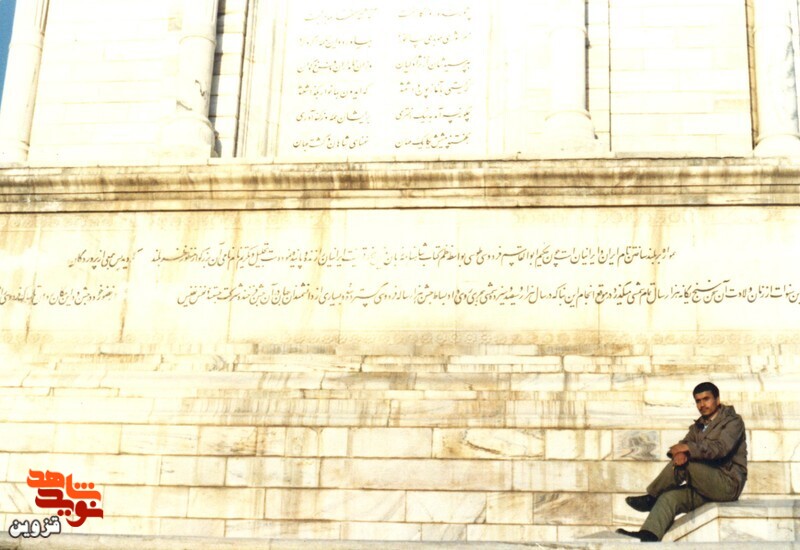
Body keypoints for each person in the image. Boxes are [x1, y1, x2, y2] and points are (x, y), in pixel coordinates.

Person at [616, 381, 747, 542]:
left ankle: (652, 497)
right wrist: (680, 453)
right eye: (698, 401)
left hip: (727, 484)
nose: (702, 405)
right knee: (669, 497)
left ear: (717, 400)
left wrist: (687, 450)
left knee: (687, 464)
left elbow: (720, 449)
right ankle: (649, 534)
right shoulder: (698, 426)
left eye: (706, 399)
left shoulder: (733, 421)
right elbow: (680, 446)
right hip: (705, 486)